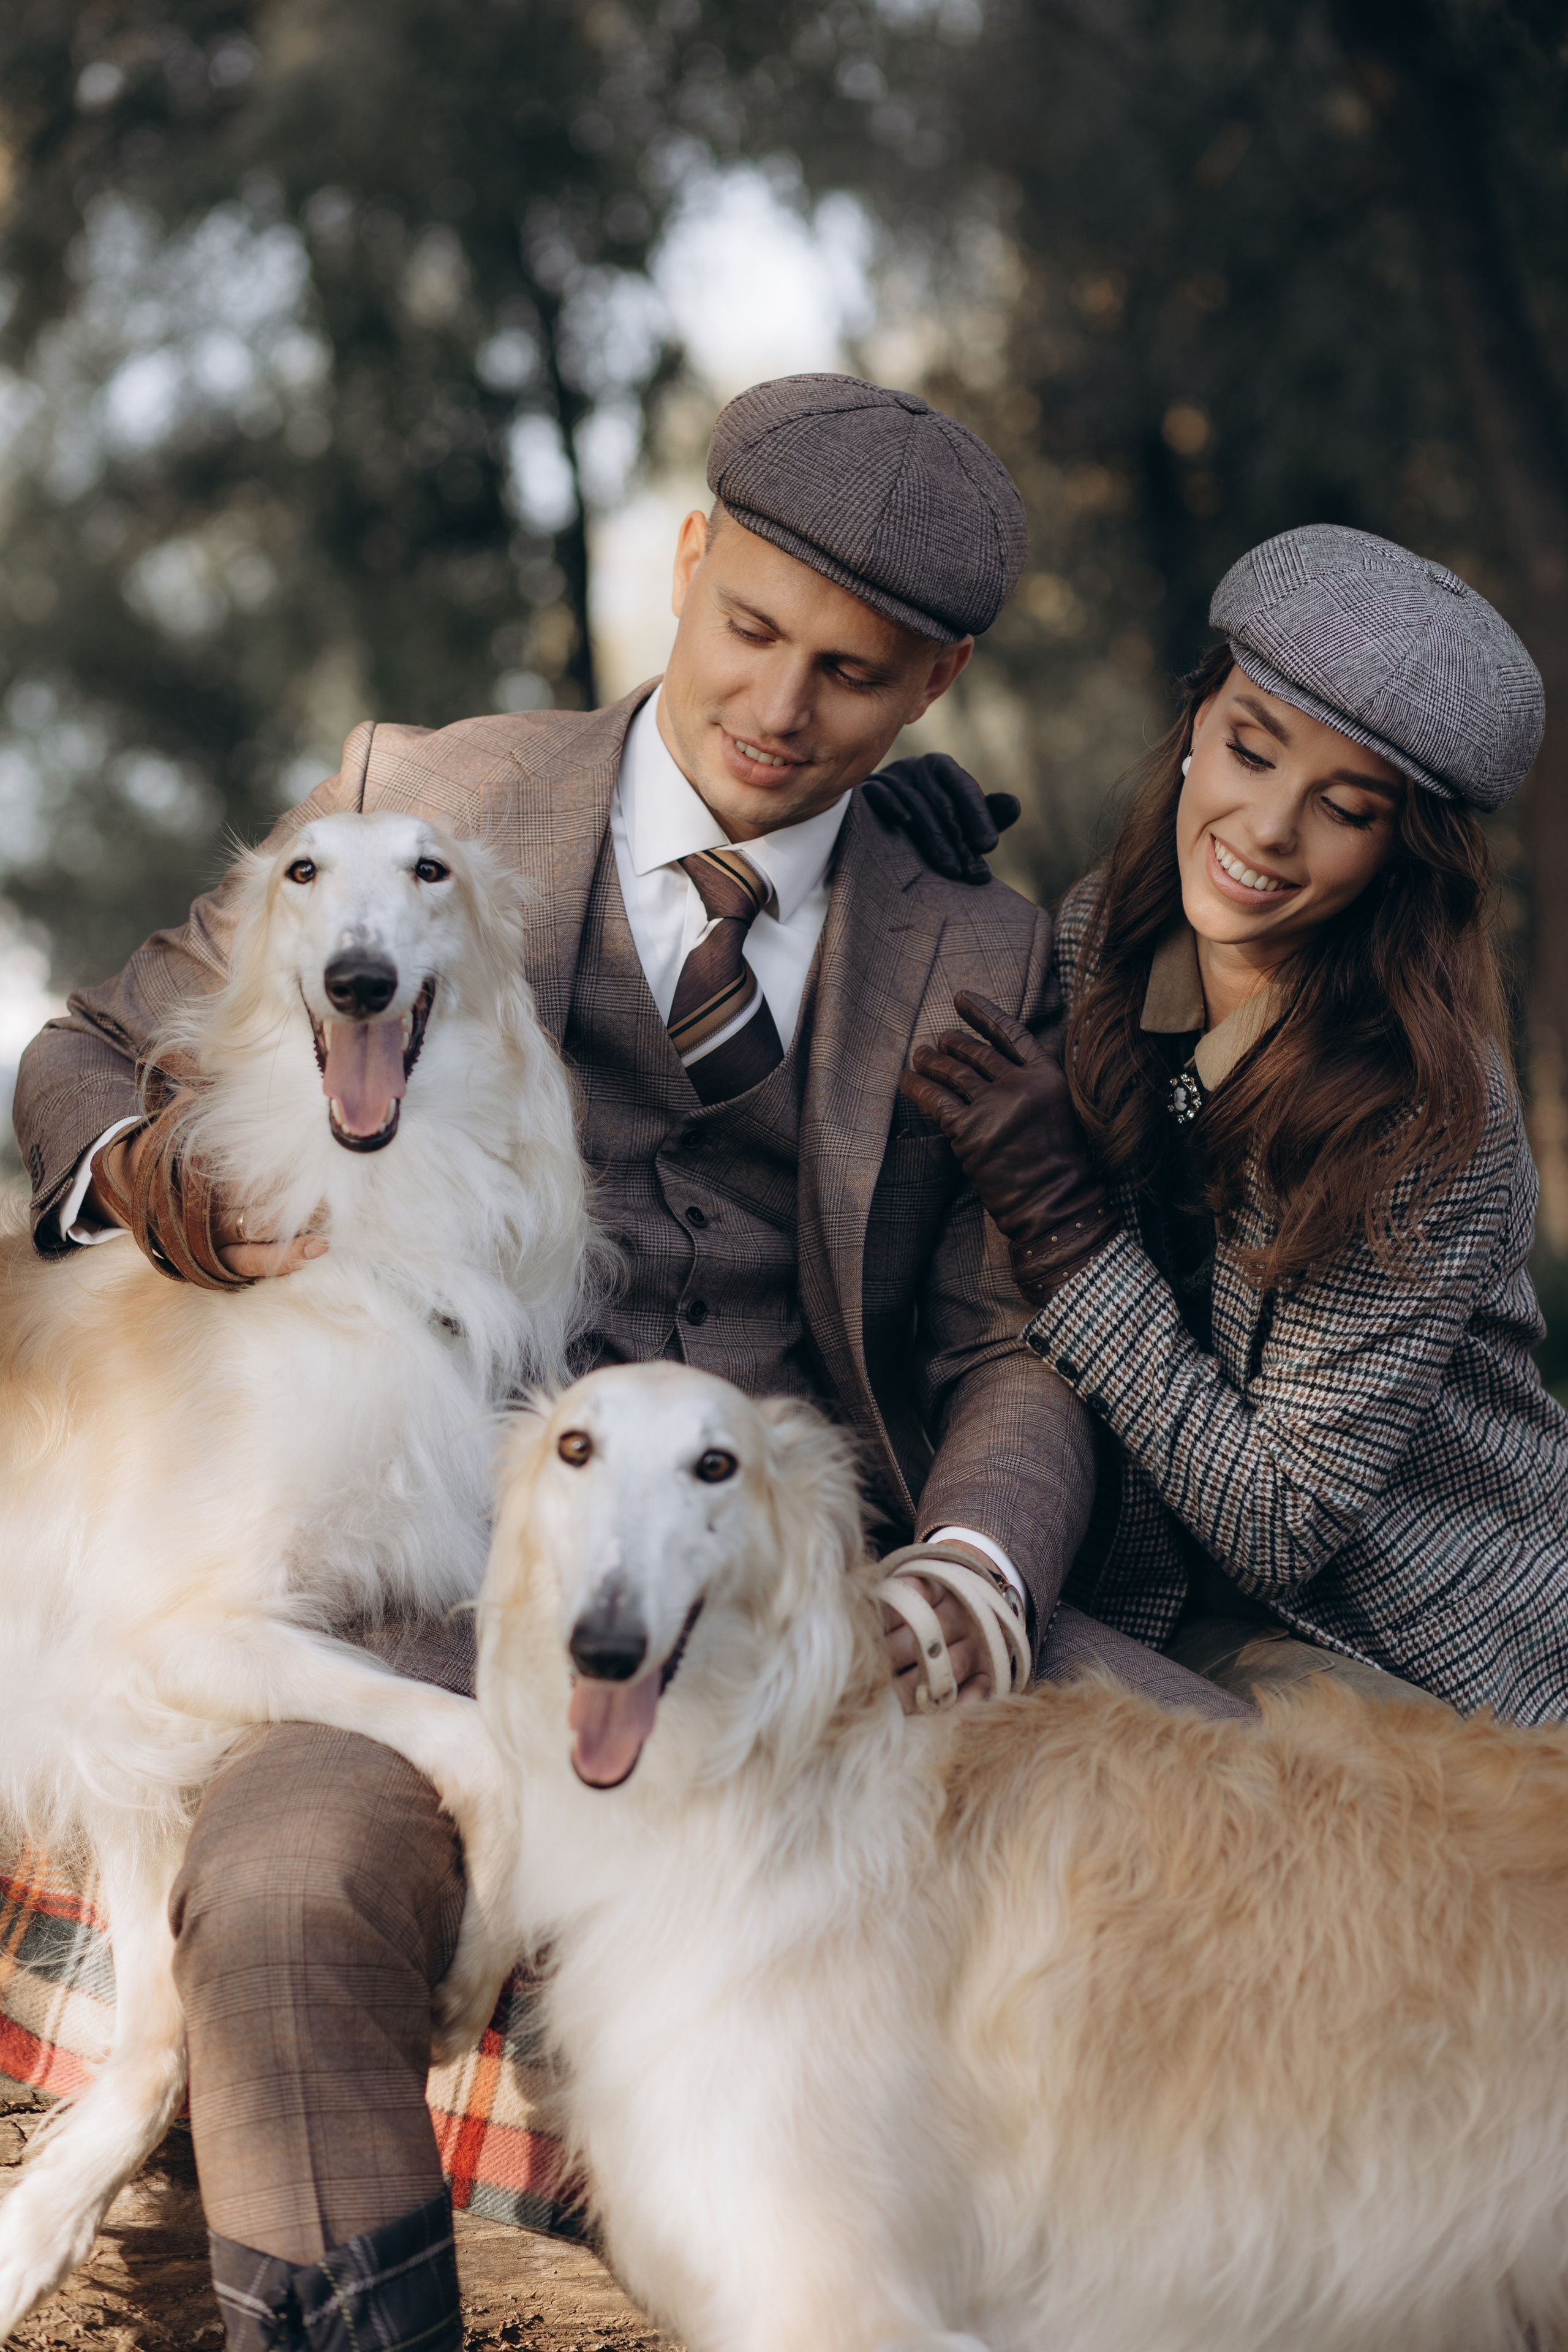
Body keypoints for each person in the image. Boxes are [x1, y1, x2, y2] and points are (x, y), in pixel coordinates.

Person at [9, 376, 1243, 2352]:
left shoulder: (979, 947)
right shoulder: (435, 793)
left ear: (936, 678)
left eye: (852, 674)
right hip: (442, 1595)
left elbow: (1012, 1343)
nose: (779, 704)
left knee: (1238, 1796)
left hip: (789, 1596)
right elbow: (84, 1037)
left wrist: (986, 1569)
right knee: (289, 1884)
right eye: (749, 629)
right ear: (687, 565)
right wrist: (131, 1165)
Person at [903, 522, 1568, 1722]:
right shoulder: (1103, 930)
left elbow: (1276, 1522)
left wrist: (1064, 1230)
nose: (1266, 828)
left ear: (1400, 854)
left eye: (1345, 808)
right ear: (1194, 720)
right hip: (1155, 1599)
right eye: (1249, 752)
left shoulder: (1425, 1117)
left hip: (1413, 1655)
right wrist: (879, 839)